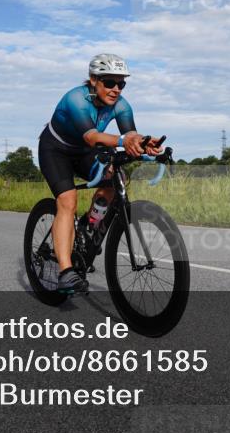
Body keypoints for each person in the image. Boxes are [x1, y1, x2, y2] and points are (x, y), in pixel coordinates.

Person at [38, 53, 162, 294]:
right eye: (109, 83)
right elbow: (92, 136)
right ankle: (65, 271)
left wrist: (144, 144)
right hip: (56, 150)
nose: (116, 89)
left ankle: (89, 226)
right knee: (67, 200)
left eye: (121, 83)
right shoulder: (76, 99)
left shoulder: (122, 105)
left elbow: (130, 136)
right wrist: (124, 140)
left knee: (117, 181)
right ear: (93, 79)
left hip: (85, 152)